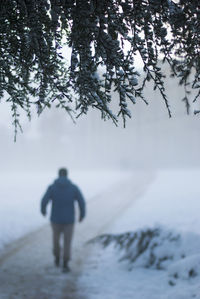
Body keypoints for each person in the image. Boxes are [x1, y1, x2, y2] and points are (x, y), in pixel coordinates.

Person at [41, 168, 86, 273]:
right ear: (67, 175)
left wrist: (43, 210)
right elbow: (81, 202)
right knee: (67, 242)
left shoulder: (52, 187)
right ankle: (65, 263)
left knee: (55, 240)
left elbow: (44, 200)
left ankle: (57, 257)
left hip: (55, 220)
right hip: (69, 221)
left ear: (58, 175)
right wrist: (82, 215)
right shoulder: (73, 188)